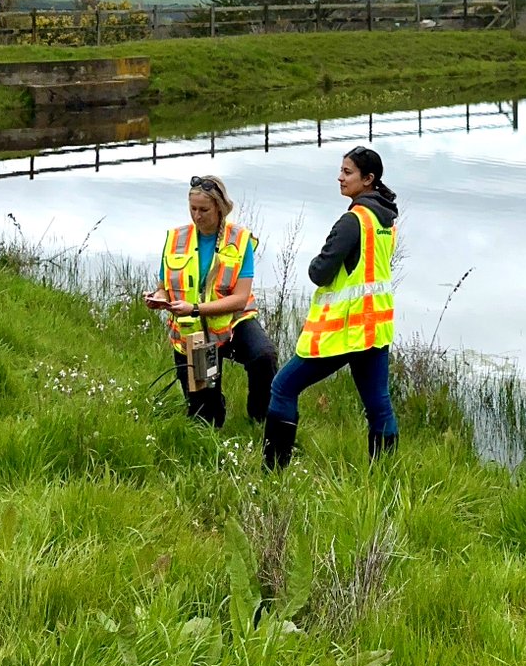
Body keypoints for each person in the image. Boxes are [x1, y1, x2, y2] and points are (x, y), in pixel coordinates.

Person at [263, 146, 398, 469]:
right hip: (374, 328)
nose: (340, 177)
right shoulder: (387, 221)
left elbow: (319, 272)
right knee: (379, 405)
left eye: (347, 172)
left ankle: (272, 472)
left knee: (283, 387)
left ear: (369, 179)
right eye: (341, 170)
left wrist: (314, 261)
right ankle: (383, 477)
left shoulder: (353, 220)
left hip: (342, 331)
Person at [144, 175, 277, 427]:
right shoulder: (175, 239)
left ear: (219, 207)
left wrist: (196, 309)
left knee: (264, 356)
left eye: (203, 209)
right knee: (205, 419)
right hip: (193, 334)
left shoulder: (239, 240)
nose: (197, 216)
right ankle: (215, 404)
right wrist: (157, 298)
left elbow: (239, 299)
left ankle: (259, 417)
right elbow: (164, 288)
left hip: (234, 323)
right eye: (192, 209)